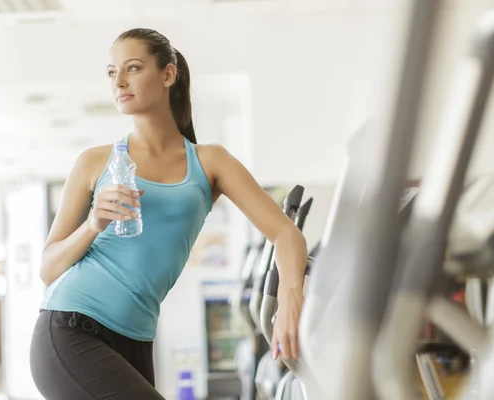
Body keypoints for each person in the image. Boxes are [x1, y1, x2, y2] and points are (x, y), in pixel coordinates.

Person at [29, 28, 308, 400]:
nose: (120, 81)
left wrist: (290, 301)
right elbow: (48, 268)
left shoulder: (209, 162)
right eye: (112, 72)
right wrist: (93, 224)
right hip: (71, 326)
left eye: (132, 68)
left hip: (136, 340)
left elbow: (286, 234)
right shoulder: (94, 163)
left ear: (168, 74)